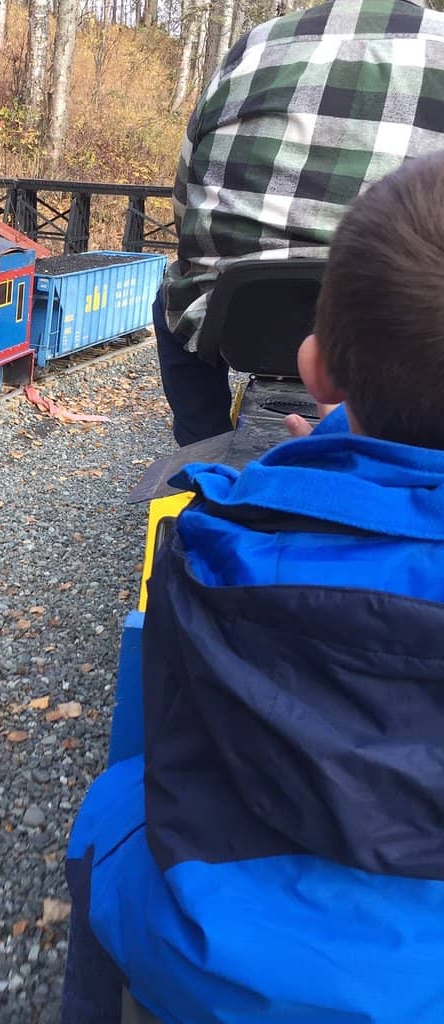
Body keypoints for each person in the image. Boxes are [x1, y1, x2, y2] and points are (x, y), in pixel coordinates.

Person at [63, 150, 444, 1023]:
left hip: (224, 960)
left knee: (111, 807)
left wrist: (316, 466)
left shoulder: (216, 535)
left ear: (315, 366)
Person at [157, 0, 444, 446]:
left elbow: (185, 211)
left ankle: (201, 449)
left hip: (245, 321)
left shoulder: (253, 46)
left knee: (171, 299)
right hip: (413, 333)